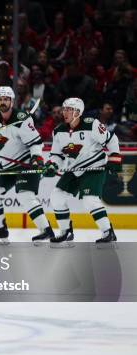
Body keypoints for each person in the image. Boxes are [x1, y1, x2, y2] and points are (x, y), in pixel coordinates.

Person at [0, 86, 54, 244]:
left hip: (26, 163)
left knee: (25, 195)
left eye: (6, 99)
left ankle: (46, 231)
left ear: (12, 101)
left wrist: (37, 159)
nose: (2, 102)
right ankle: (0, 229)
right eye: (0, 99)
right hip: (7, 165)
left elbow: (36, 143)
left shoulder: (22, 119)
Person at [43, 97, 122, 245]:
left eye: (69, 109)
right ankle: (66, 232)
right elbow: (57, 155)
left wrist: (114, 158)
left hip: (95, 167)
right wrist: (52, 165)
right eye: (64, 109)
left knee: (90, 201)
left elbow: (111, 140)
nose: (64, 112)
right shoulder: (58, 131)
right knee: (56, 197)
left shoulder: (91, 124)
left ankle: (108, 232)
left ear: (78, 112)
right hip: (74, 169)